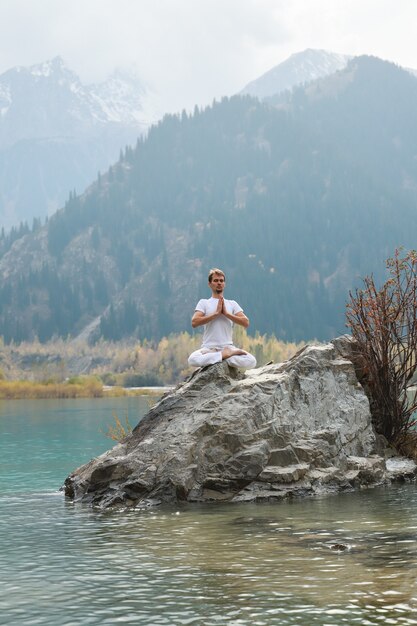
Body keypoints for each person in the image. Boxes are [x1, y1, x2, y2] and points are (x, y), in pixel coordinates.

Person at [188, 268, 257, 369]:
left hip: (228, 347)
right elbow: (194, 322)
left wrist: (226, 314)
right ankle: (224, 356)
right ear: (210, 284)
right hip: (208, 348)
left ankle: (222, 355)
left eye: (221, 281)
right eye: (215, 280)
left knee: (251, 361)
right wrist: (215, 314)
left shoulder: (232, 304)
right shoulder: (204, 303)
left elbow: (245, 322)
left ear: (224, 284)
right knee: (192, 359)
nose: (219, 283)